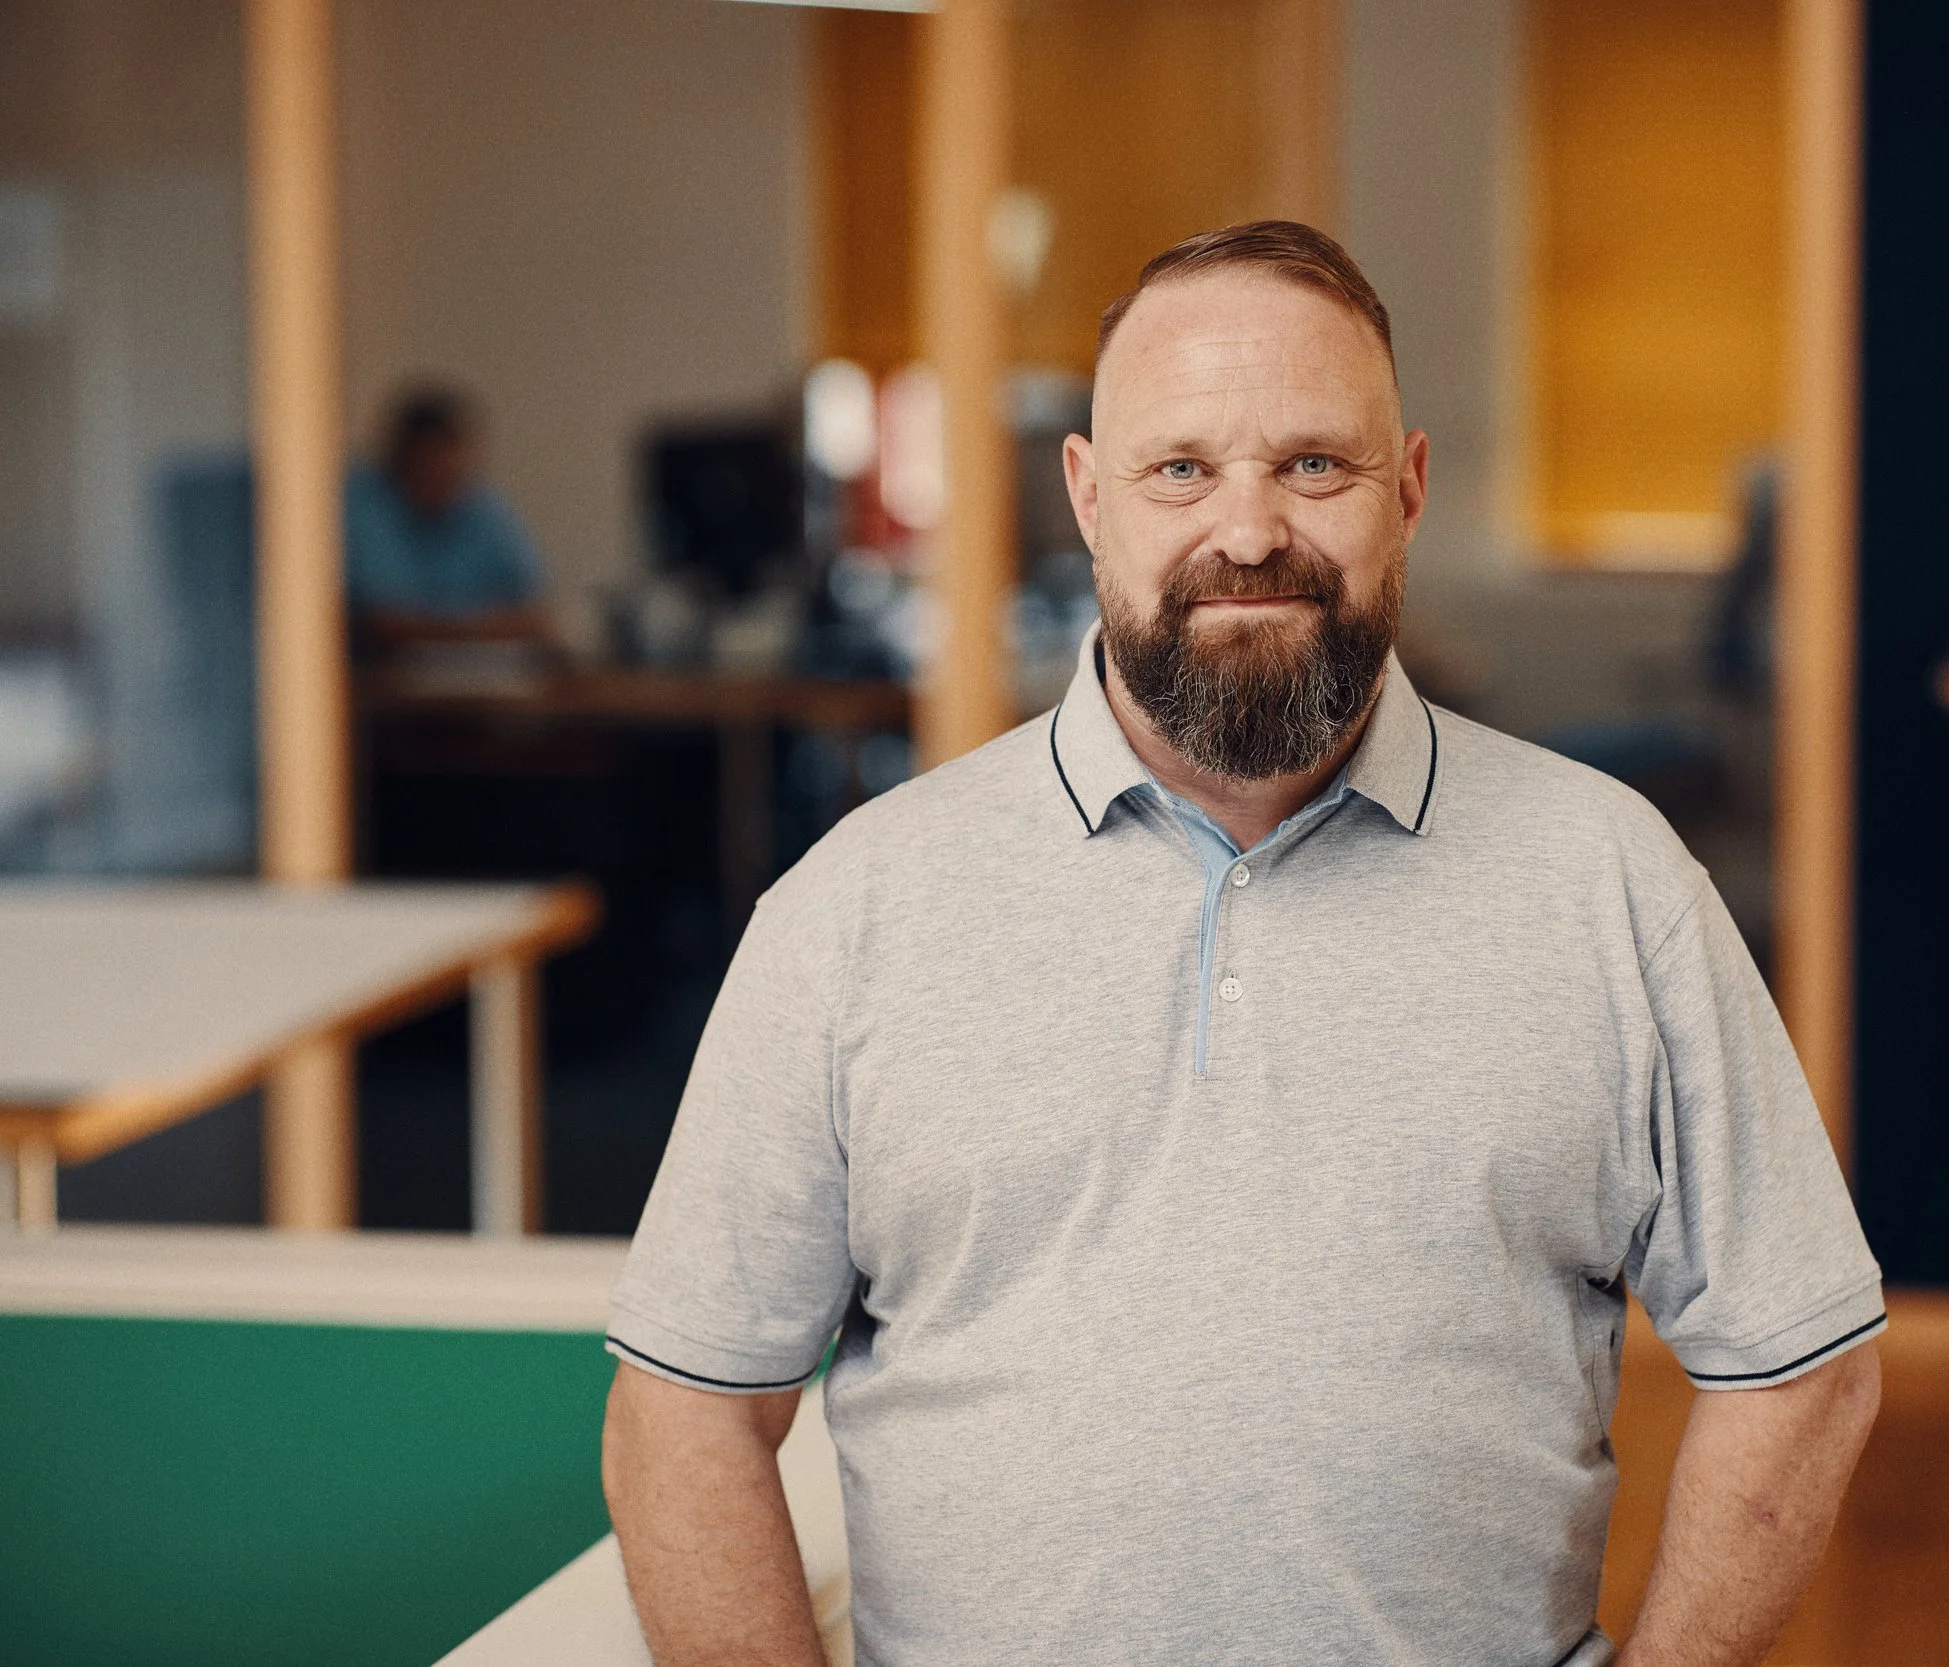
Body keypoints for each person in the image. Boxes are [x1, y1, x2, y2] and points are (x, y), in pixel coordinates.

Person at [601, 221, 1884, 1667]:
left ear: (1405, 489)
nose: (1251, 530)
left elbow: (1802, 1362)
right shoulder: (855, 909)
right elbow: (686, 1405)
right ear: (1090, 497)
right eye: (1181, 470)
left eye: (1314, 466)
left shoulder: (1611, 880)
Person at [344, 386, 543, 632]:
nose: (444, 483)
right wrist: (485, 625)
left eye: (453, 472)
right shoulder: (359, 500)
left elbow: (537, 614)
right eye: (429, 468)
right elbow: (384, 620)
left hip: (472, 665)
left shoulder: (479, 505)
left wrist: (440, 628)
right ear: (398, 460)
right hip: (373, 667)